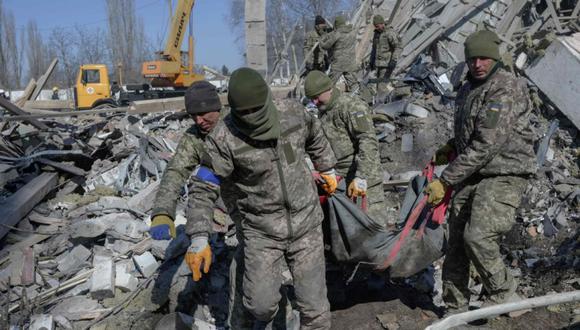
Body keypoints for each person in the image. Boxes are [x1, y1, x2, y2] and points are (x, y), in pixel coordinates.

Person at [186, 67, 337, 329]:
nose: (251, 117)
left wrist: (327, 167)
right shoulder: (224, 138)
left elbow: (315, 136)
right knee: (260, 305)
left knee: (315, 308)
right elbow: (203, 186)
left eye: (256, 109)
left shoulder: (292, 113)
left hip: (306, 225)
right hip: (262, 231)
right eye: (244, 113)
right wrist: (199, 237)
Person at [427, 30, 537, 311]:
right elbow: (474, 132)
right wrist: (451, 146)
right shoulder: (467, 88)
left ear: (494, 57)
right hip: (473, 171)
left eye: (484, 58)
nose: (478, 64)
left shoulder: (505, 87)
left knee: (477, 236)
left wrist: (446, 179)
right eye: (472, 59)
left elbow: (487, 143)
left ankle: (505, 293)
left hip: (504, 172)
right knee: (454, 242)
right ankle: (454, 306)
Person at [304, 70, 387, 224]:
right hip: (341, 179)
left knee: (372, 229)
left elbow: (368, 140)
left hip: (364, 177)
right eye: (311, 99)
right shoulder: (323, 111)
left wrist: (361, 176)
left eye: (316, 97)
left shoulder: (351, 106)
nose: (314, 102)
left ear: (328, 89)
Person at [320, 16, 360, 92]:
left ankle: (326, 100)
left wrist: (322, 38)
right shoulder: (352, 32)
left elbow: (326, 46)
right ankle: (359, 99)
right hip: (350, 63)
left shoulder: (337, 34)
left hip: (338, 64)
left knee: (329, 84)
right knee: (354, 84)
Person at [369, 14, 401, 97]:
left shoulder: (389, 33)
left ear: (382, 23)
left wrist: (393, 60)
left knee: (381, 87)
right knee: (378, 86)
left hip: (387, 65)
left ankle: (383, 105)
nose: (376, 28)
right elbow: (374, 49)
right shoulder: (376, 34)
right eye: (375, 26)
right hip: (379, 65)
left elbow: (398, 47)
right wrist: (371, 62)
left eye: (377, 26)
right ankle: (385, 101)